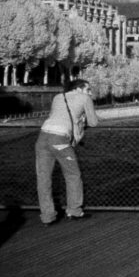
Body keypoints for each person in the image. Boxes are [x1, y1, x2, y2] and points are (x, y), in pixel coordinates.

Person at [35, 78, 98, 226]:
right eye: (88, 89)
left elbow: (57, 116)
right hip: (59, 140)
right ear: (78, 89)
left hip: (42, 138)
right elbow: (94, 122)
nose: (90, 92)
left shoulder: (58, 97)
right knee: (73, 175)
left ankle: (47, 216)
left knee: (43, 179)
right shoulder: (84, 98)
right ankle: (74, 210)